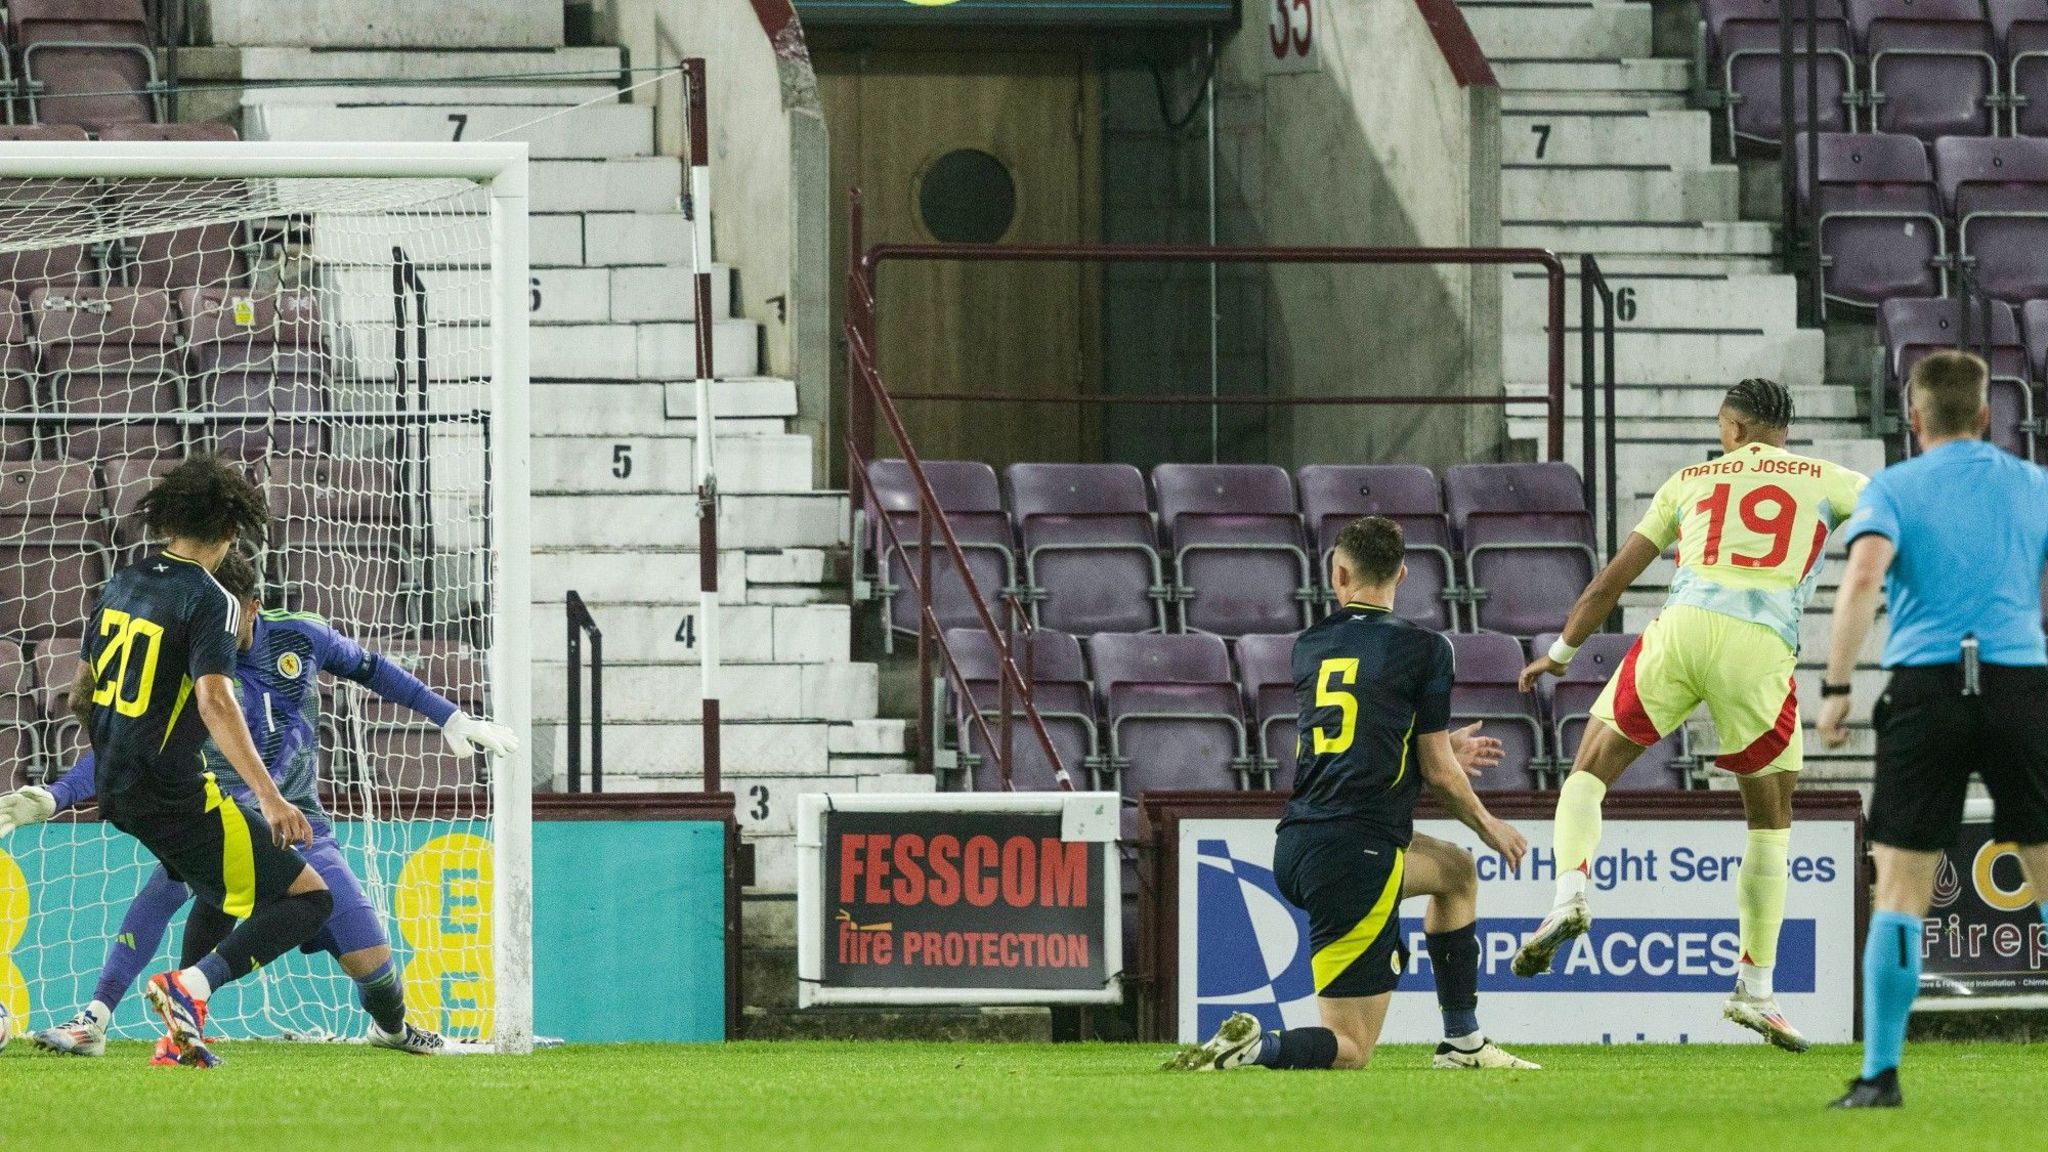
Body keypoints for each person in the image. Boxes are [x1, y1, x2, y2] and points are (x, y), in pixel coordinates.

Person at [2, 552, 518, 1060]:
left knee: (375, 969)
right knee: (170, 880)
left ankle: (392, 1029)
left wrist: (449, 717)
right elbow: (125, 748)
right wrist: (55, 794)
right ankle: (99, 1016)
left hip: (302, 825)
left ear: (251, 607)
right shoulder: (187, 665)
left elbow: (374, 669)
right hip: (221, 811)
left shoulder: (301, 636)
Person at [1512, 378, 1867, 1053]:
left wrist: (1559, 655)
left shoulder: (1691, 480)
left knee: (1588, 771)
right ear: (1783, 430)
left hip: (1682, 625)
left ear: (1731, 428)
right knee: (1769, 823)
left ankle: (1569, 893)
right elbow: (1893, 522)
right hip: (1759, 644)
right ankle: (1756, 991)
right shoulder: (1830, 478)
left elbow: (1606, 584)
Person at [1164, 516, 1535, 1072]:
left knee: (1455, 872)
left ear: (1338, 573)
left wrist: (1428, 750)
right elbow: (1437, 773)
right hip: (1354, 858)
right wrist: (1491, 824)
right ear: (1404, 574)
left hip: (1299, 844)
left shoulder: (1309, 646)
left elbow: (1360, 739)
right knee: (1352, 1050)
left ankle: (1464, 1044)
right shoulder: (1426, 649)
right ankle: (1258, 1047)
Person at [1816, 350, 2048, 1109]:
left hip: (1926, 689)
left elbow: (1861, 579)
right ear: (1987, 414)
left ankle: (1881, 1075)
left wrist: (1838, 687)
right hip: (2021, 684)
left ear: (1914, 420)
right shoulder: (2034, 484)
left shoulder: (1894, 487)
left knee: (1903, 891)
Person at [50, 456, 330, 1067]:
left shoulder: (123, 581)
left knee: (214, 886)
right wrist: (274, 796)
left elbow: (77, 693)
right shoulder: (215, 600)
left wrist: (117, 754)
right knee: (310, 899)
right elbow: (214, 699)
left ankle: (172, 1035)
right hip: (170, 792)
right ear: (234, 528)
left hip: (115, 785)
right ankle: (189, 989)